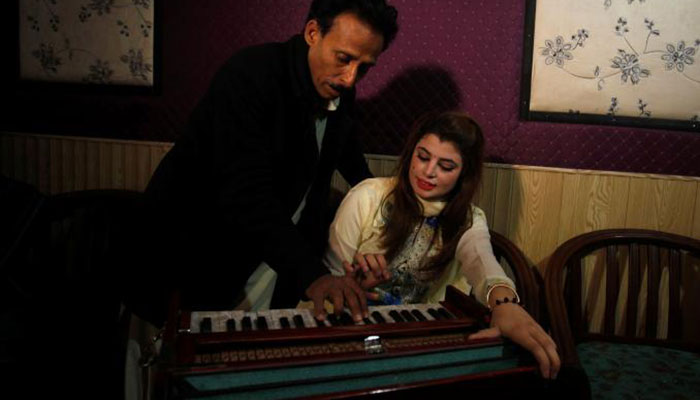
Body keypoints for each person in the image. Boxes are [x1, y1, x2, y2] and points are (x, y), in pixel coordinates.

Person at [132, 0, 399, 325]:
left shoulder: (340, 92)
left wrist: (393, 212)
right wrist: (312, 275)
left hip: (271, 259)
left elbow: (353, 164)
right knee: (171, 363)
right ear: (313, 32)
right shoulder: (251, 74)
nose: (350, 77)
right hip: (191, 254)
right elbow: (245, 194)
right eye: (343, 58)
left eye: (365, 67)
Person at [318, 111, 561, 379]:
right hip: (350, 332)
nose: (428, 171)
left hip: (421, 342)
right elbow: (328, 279)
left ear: (463, 174)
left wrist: (506, 305)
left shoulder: (469, 219)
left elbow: (483, 262)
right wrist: (354, 285)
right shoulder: (367, 196)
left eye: (446, 167)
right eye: (422, 157)